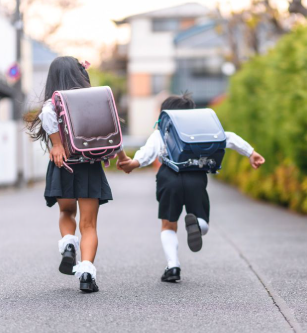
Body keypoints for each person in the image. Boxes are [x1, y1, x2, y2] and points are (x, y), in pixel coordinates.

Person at [117, 94, 265, 283]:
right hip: (196, 176)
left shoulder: (162, 131)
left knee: (168, 224)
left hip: (168, 177)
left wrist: (134, 163)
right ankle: (198, 225)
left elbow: (147, 152)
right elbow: (229, 138)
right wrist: (251, 153)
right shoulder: (202, 130)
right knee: (202, 219)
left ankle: (173, 266)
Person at [24, 56, 130, 292]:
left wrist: (57, 144)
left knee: (66, 212)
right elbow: (112, 128)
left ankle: (69, 244)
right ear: (81, 75)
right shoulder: (97, 99)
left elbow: (46, 115)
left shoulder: (54, 101)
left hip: (63, 165)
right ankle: (86, 273)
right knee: (89, 224)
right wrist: (123, 159)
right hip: (90, 166)